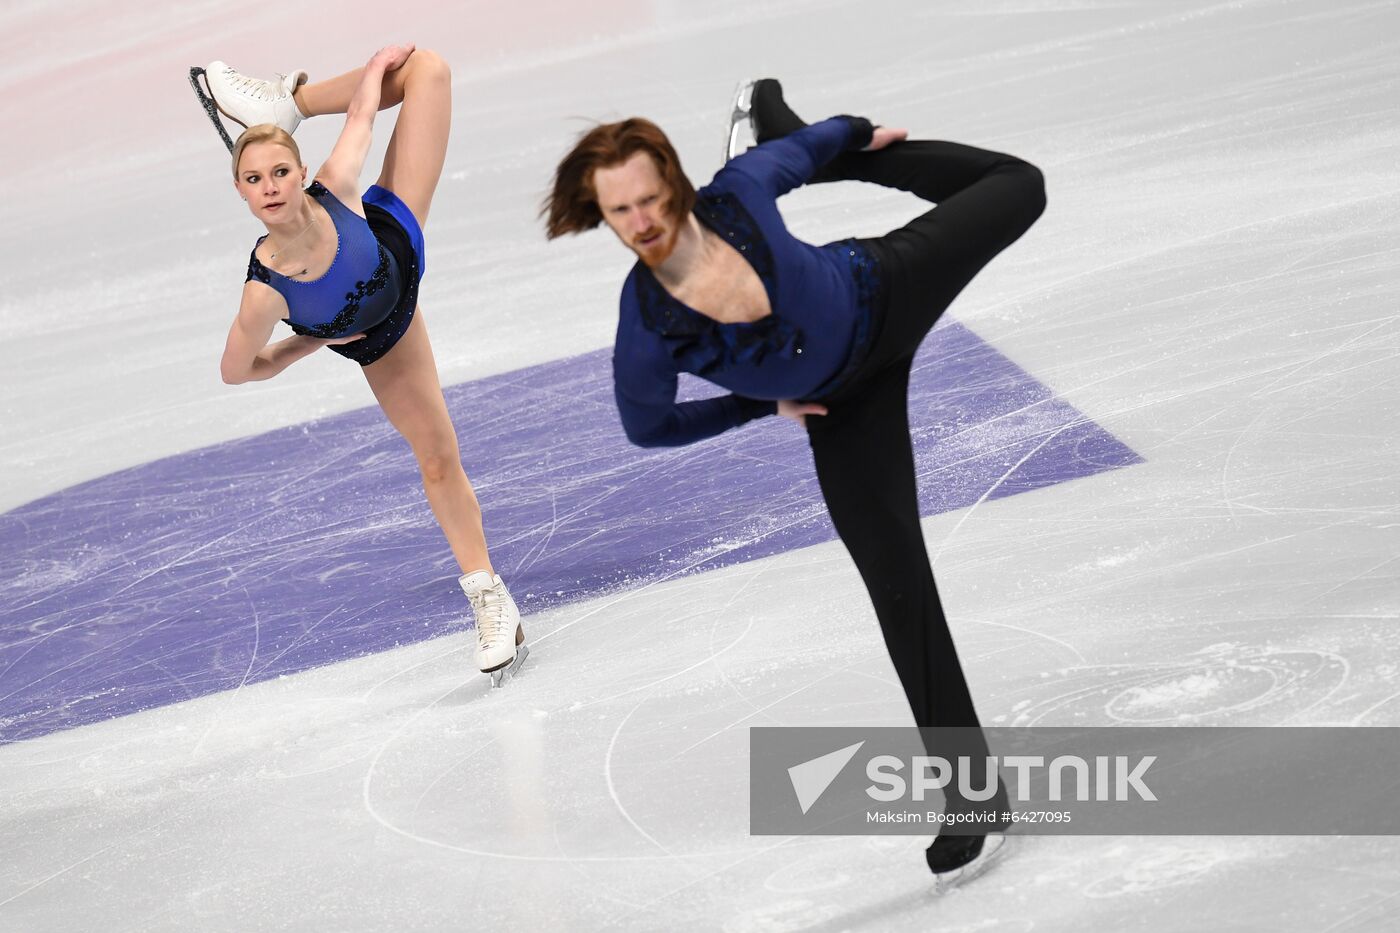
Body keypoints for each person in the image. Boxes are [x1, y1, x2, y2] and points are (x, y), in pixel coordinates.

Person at [543, 80, 1045, 878]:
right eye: (619, 212)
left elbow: (806, 150)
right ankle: (973, 795)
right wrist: (757, 407)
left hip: (885, 288)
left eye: (647, 198)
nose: (640, 222)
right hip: (841, 407)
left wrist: (850, 137)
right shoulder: (646, 323)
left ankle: (829, 149)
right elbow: (648, 426)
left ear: (672, 180)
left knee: (1021, 185)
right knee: (900, 587)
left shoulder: (739, 192)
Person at [199, 47, 527, 686]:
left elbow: (366, 111)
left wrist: (374, 68)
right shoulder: (264, 292)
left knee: (428, 67)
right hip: (385, 334)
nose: (269, 188)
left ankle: (286, 105)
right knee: (437, 457)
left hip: (395, 232)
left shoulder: (338, 183)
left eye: (279, 172)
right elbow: (237, 371)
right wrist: (309, 342)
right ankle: (490, 598)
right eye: (254, 179)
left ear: (300, 174)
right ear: (240, 191)